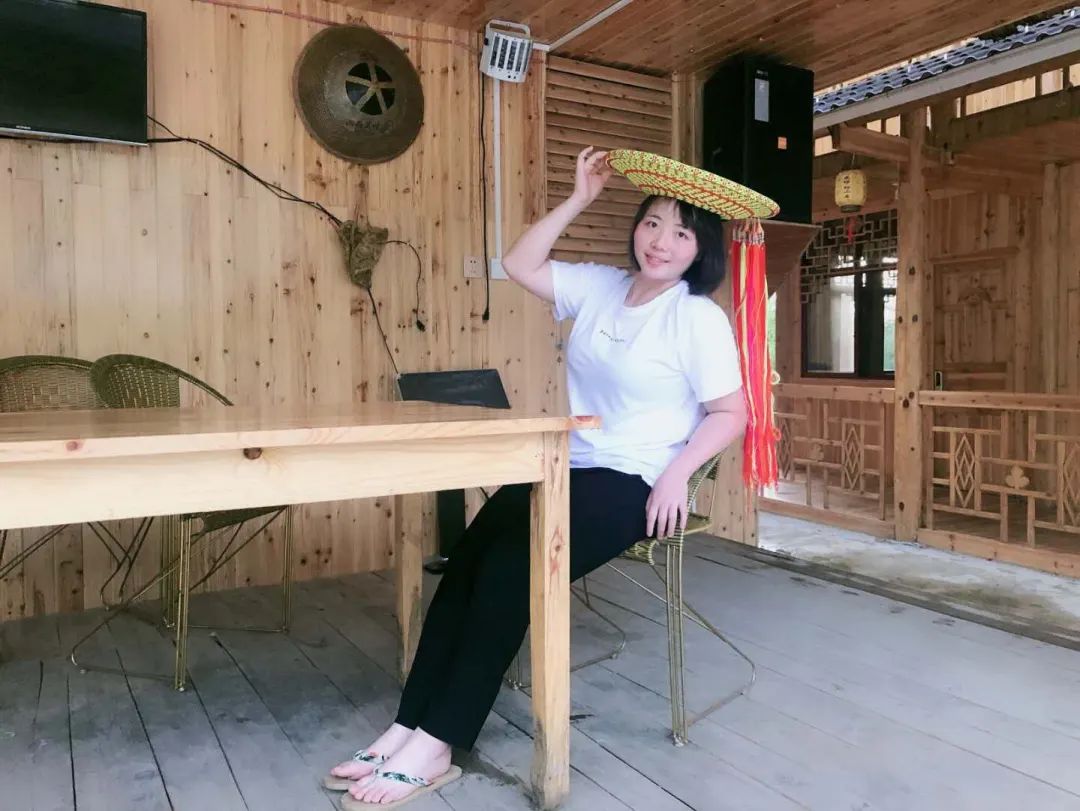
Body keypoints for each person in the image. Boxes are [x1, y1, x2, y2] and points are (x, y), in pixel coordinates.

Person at [326, 146, 749, 808]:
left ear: (702, 250)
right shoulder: (603, 286)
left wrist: (678, 475)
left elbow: (731, 412)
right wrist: (579, 197)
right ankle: (407, 724)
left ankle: (439, 741)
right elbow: (520, 264)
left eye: (681, 232)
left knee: (509, 572)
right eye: (652, 223)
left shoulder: (696, 316)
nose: (661, 241)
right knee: (468, 558)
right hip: (567, 462)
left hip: (634, 481)